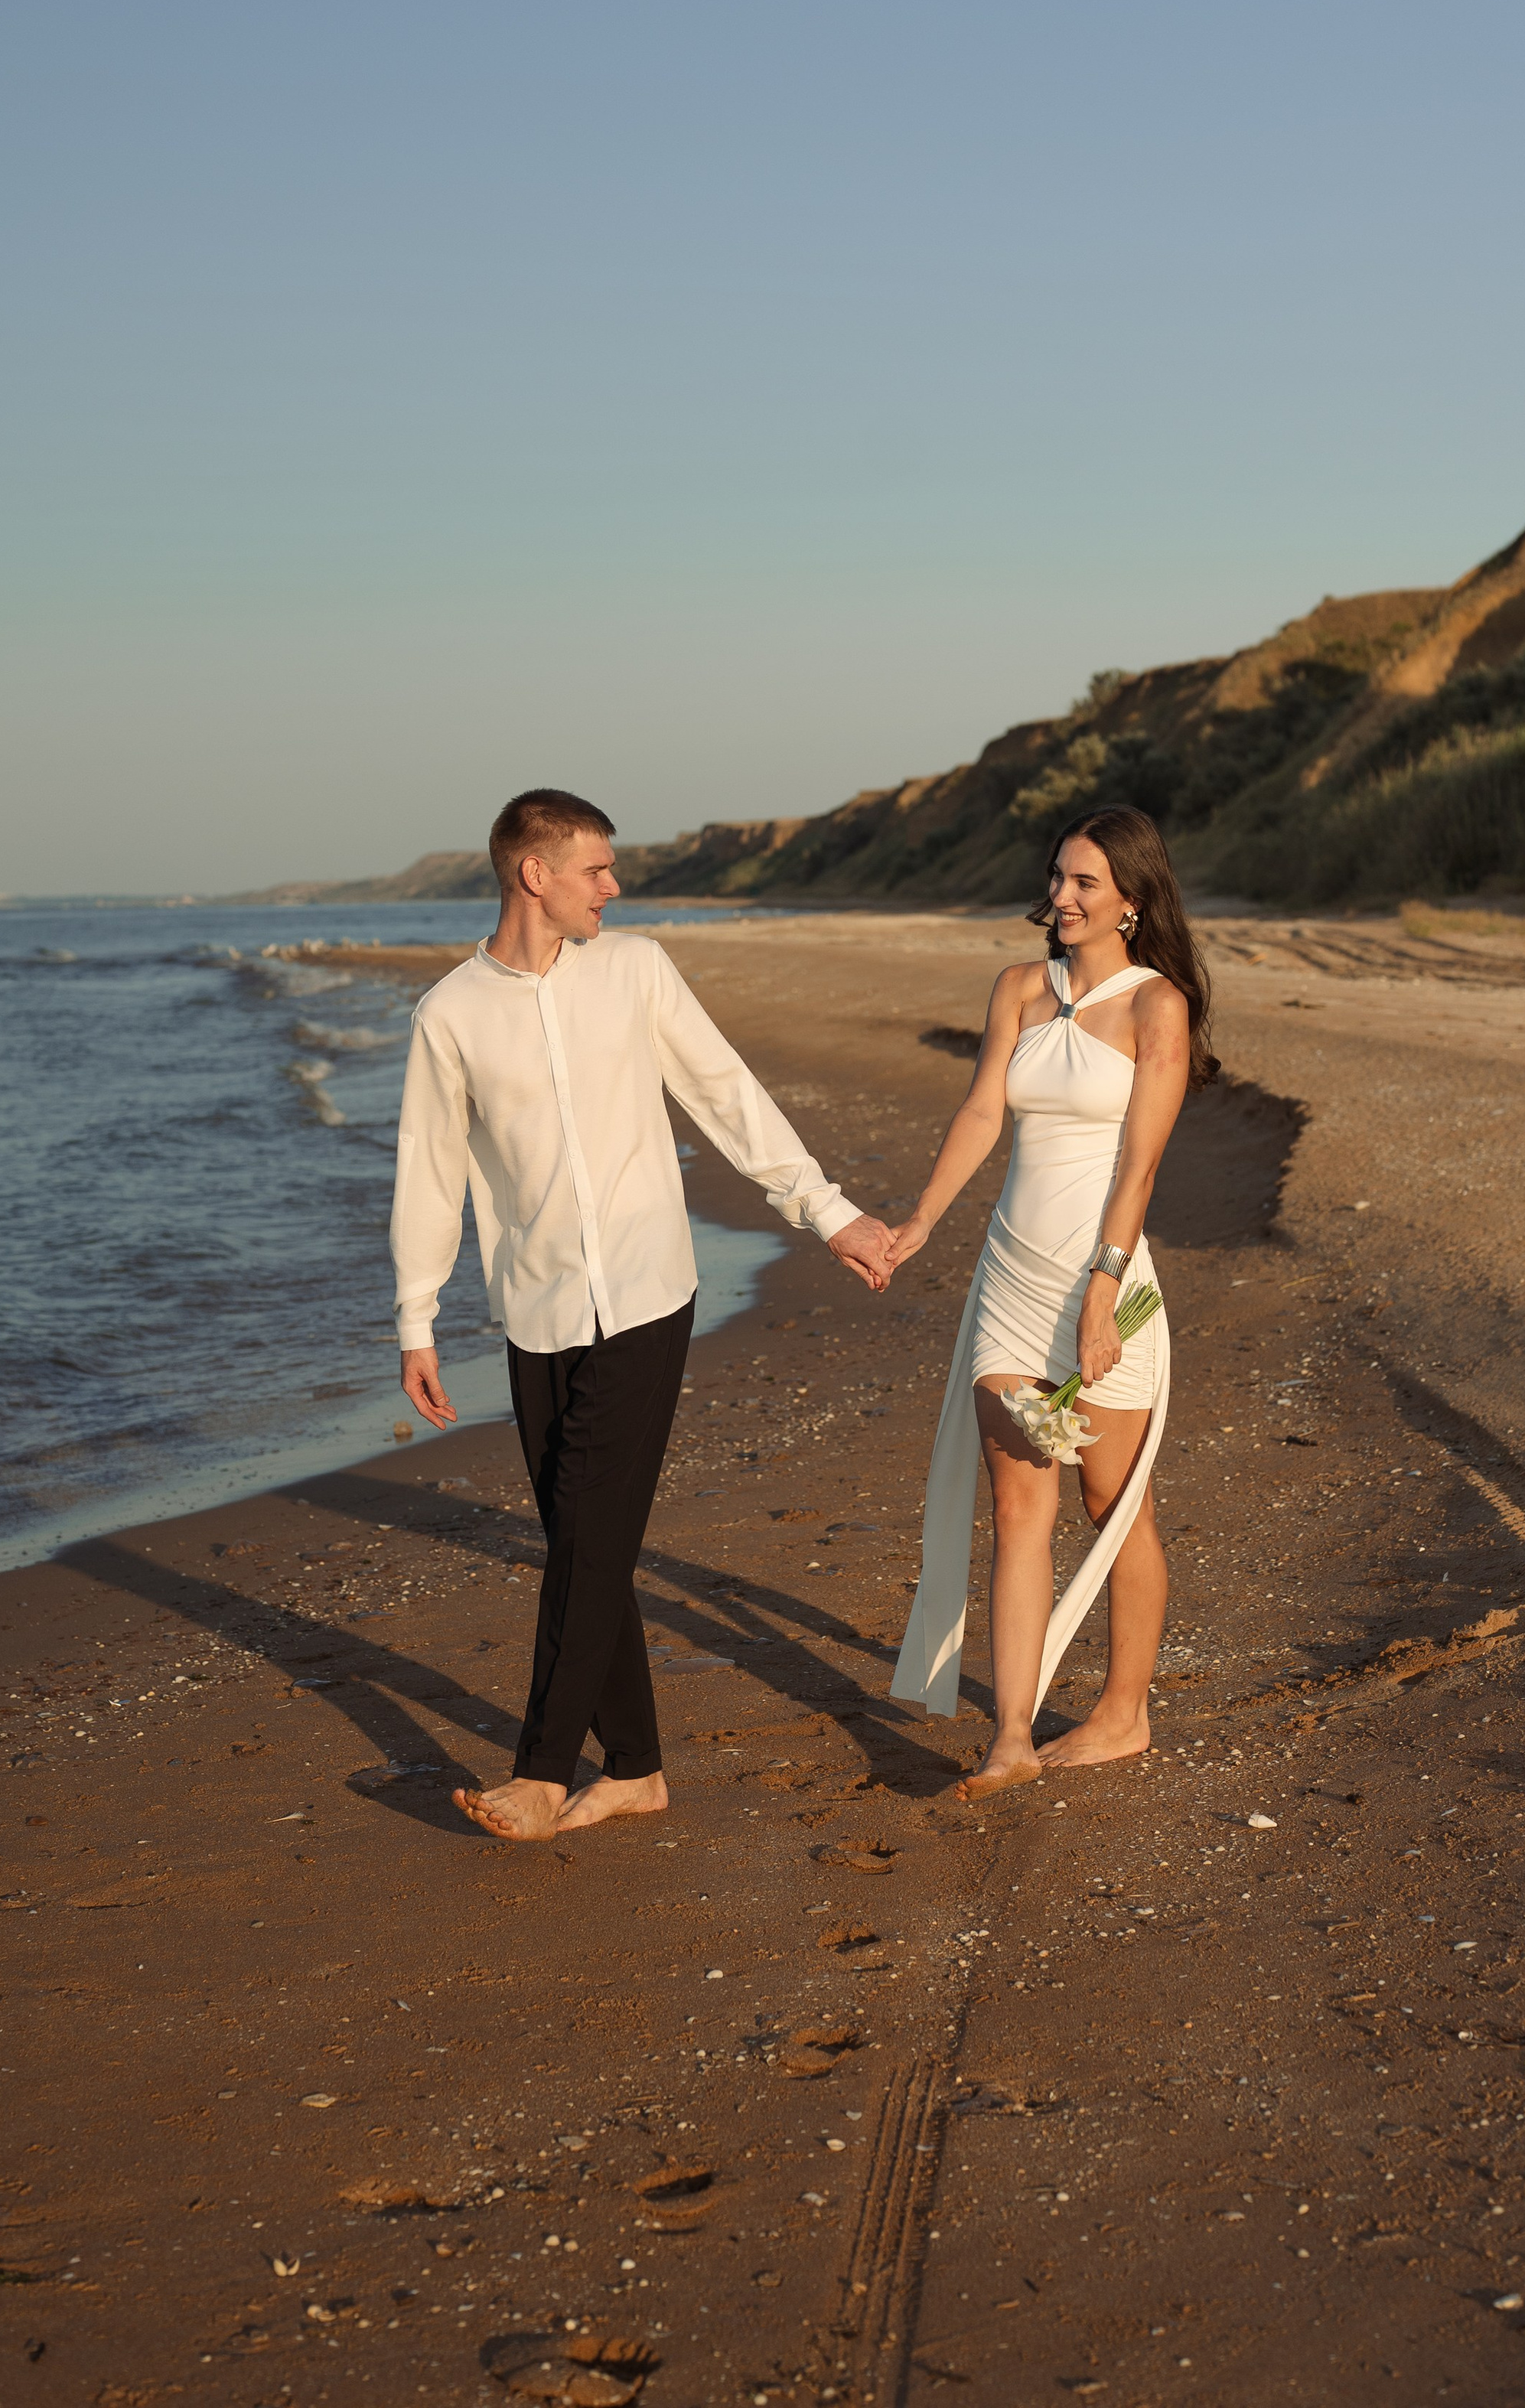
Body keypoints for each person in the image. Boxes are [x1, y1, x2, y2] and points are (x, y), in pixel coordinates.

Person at [391, 787, 895, 1841]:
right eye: (597, 869)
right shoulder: (450, 1014)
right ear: (536, 874)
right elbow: (431, 1176)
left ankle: (540, 1771)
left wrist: (829, 1213)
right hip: (534, 1309)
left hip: (647, 1292)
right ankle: (636, 1769)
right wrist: (416, 1319)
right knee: (589, 1536)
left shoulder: (636, 971)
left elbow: (726, 1094)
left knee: (586, 1536)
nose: (614, 888)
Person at [887, 804, 1214, 1795]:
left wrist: (1104, 1294)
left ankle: (1124, 1714)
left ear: (1132, 899)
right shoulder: (1021, 989)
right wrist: (917, 1224)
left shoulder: (1159, 1007)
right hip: (1010, 1282)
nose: (1062, 898)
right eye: (1059, 878)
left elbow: (1139, 1165)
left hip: (1104, 1288)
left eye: (1084, 884)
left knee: (1114, 1502)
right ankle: (1011, 1739)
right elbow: (985, 1109)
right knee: (1017, 1505)